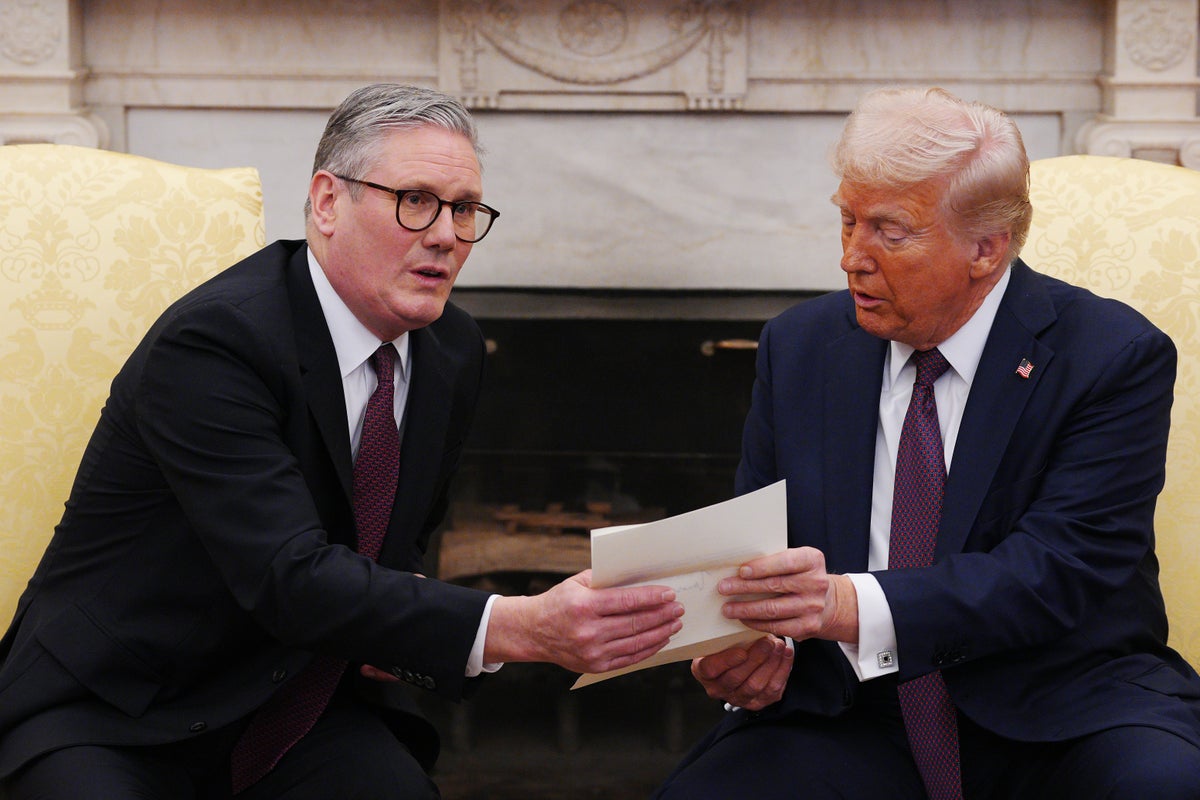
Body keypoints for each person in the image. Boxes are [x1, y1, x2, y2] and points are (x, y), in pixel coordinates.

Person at [0, 83, 684, 800]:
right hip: (122, 707)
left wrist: (406, 637)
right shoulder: (217, 342)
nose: (445, 235)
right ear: (328, 202)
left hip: (295, 698)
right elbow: (286, 574)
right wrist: (521, 626)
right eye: (414, 200)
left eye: (463, 209)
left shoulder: (451, 350)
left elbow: (399, 545)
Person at [654, 87, 1200, 799]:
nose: (852, 258)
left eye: (889, 231)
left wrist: (845, 605)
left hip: (1061, 705)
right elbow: (757, 553)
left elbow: (1060, 568)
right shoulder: (799, 348)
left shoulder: (1109, 356)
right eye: (847, 220)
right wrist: (752, 645)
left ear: (985, 248)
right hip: (853, 712)